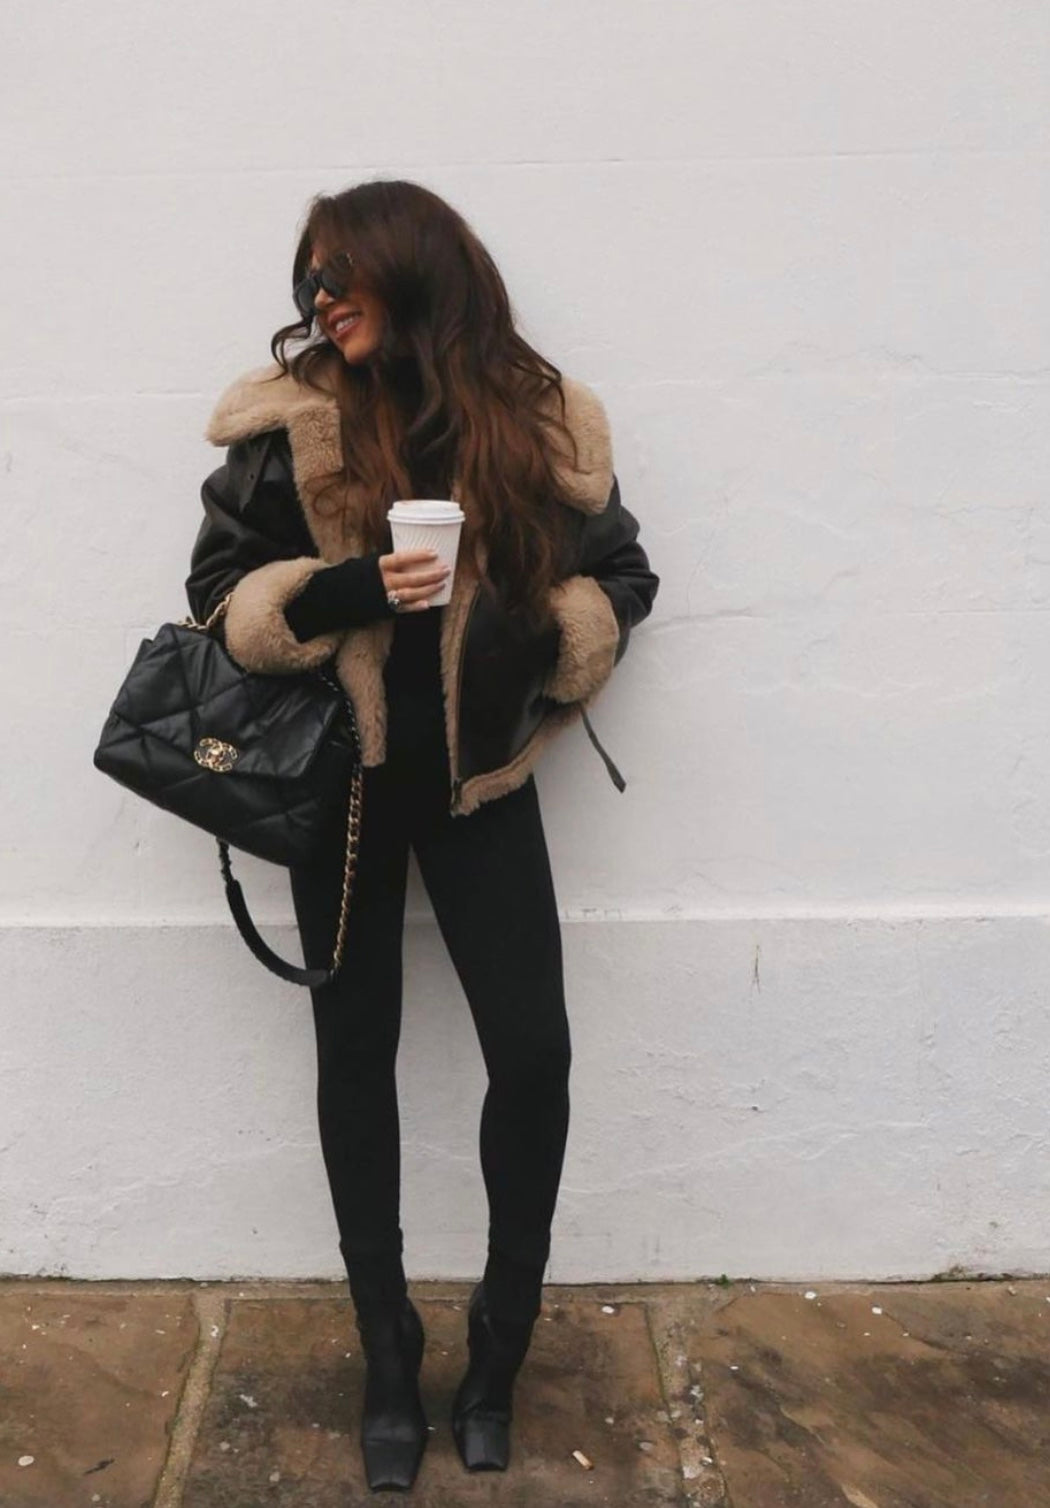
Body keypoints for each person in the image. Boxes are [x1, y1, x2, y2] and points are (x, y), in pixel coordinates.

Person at [185, 179, 659, 1491]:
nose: (319, 298)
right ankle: (386, 1350)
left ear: (413, 270)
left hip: (478, 788)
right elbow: (218, 594)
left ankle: (499, 1346)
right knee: (356, 1060)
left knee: (535, 1056)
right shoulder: (290, 426)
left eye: (341, 273)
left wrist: (550, 638)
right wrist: (347, 588)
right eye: (309, 279)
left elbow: (621, 573)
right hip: (337, 793)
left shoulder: (536, 421)